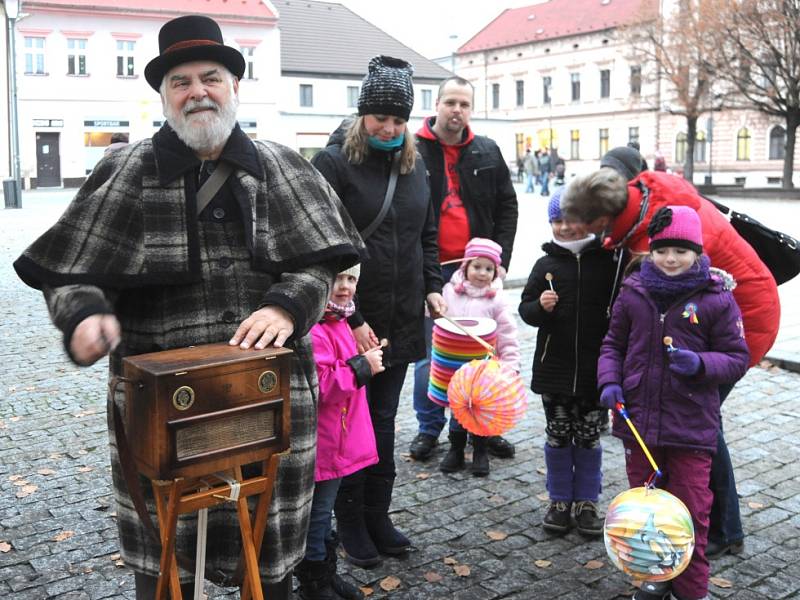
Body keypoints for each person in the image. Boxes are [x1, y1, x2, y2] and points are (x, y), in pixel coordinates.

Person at [13, 15, 363, 600]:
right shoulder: (125, 168)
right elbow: (68, 273)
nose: (197, 91)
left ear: (233, 87)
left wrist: (286, 306)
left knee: (267, 556)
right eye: (180, 81)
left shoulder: (284, 166)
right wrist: (83, 316)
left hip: (269, 389)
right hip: (160, 405)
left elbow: (322, 263)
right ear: (163, 94)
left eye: (211, 77)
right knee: (162, 560)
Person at [563, 167, 780, 559]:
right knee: (689, 422)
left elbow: (703, 317)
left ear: (604, 217)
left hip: (740, 320)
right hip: (695, 330)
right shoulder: (642, 207)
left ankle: (721, 527)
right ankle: (679, 516)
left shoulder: (662, 233)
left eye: (587, 225)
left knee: (700, 426)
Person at [311, 55, 446, 569]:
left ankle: (377, 515)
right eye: (380, 117)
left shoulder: (415, 166)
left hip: (404, 315)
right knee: (347, 419)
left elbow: (426, 236)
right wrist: (355, 317)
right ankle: (347, 524)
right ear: (362, 114)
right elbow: (327, 247)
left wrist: (432, 288)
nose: (389, 128)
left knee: (384, 420)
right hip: (350, 321)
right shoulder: (334, 164)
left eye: (398, 119)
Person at [598, 205, 750, 600]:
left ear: (697, 252)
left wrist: (700, 363)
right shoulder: (634, 292)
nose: (670, 259)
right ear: (651, 250)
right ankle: (657, 575)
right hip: (640, 427)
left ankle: (690, 588)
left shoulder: (716, 299)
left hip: (690, 430)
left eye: (681, 251)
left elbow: (737, 358)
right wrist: (610, 381)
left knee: (690, 514)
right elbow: (613, 344)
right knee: (649, 516)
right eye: (662, 249)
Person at [411, 75, 518, 463]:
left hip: (479, 269)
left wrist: (499, 259)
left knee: (485, 356)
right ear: (437, 104)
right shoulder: (414, 149)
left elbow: (508, 205)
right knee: (432, 355)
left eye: (464, 105)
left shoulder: (487, 150)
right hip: (432, 268)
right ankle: (429, 428)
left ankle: (484, 428)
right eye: (451, 103)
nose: (457, 111)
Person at [518, 188, 621, 536]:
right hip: (555, 373)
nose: (564, 227)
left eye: (571, 220)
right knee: (558, 436)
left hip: (595, 373)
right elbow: (525, 310)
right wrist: (539, 308)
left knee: (590, 438)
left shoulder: (608, 263)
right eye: (557, 220)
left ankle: (587, 502)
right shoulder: (545, 265)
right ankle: (560, 500)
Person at [299, 264, 381, 600]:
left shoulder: (339, 319)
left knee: (324, 510)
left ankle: (325, 574)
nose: (345, 287)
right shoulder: (315, 327)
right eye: (338, 279)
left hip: (338, 438)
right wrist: (363, 366)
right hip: (324, 441)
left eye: (352, 279)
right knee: (317, 514)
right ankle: (314, 582)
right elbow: (321, 384)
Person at [438, 237, 521, 476]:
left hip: (485, 371)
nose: (482, 273)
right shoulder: (450, 292)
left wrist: (510, 364)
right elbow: (440, 321)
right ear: (465, 266)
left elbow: (507, 334)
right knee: (457, 409)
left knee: (481, 411)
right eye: (477, 266)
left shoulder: (497, 300)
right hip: (455, 367)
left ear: (496, 271)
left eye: (489, 268)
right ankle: (455, 448)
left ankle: (480, 450)